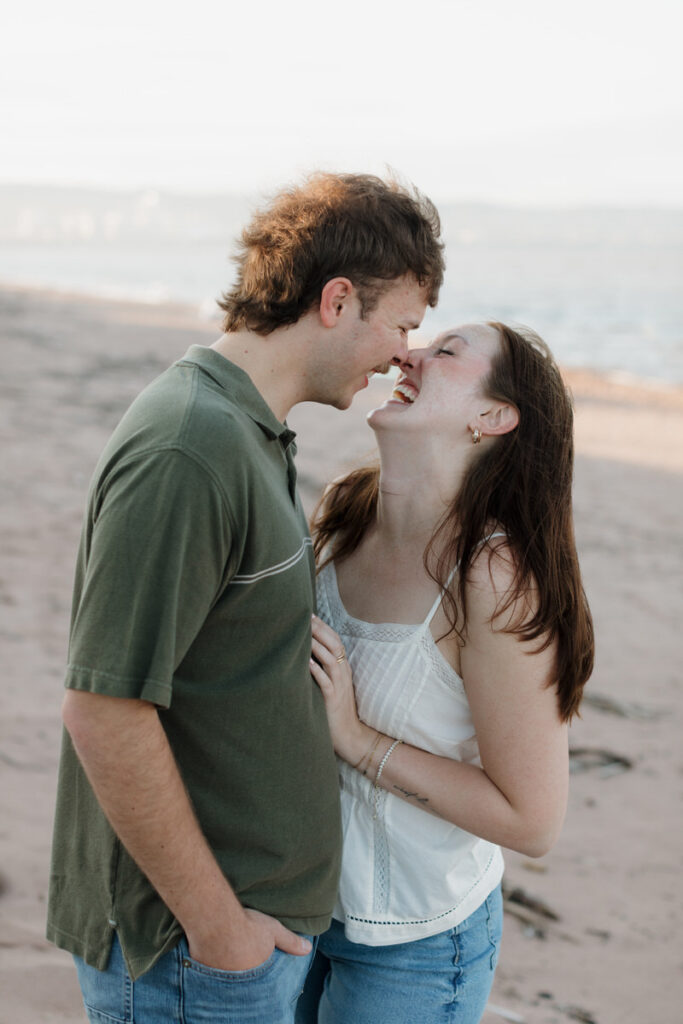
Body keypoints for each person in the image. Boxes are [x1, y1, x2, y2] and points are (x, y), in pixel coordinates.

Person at [46, 172, 445, 1024]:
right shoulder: (190, 448)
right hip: (187, 954)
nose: (402, 355)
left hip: (230, 946)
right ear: (337, 300)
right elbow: (104, 709)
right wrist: (220, 931)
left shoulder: (249, 430)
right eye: (403, 324)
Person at [296, 322, 595, 1024]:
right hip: (296, 907)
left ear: (492, 417)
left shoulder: (492, 577)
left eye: (446, 352)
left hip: (416, 944)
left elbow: (532, 821)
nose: (407, 353)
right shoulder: (346, 511)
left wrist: (357, 739)